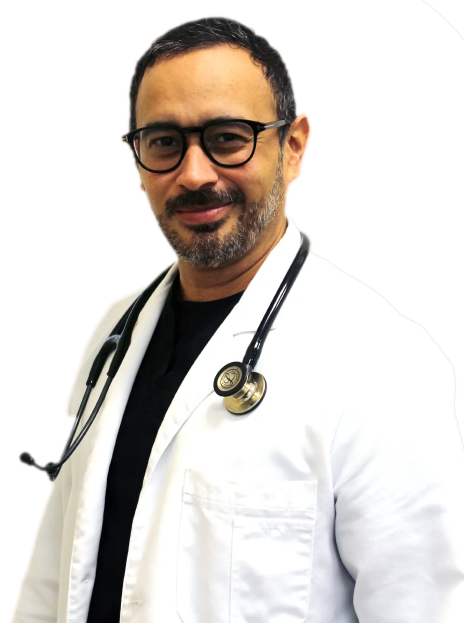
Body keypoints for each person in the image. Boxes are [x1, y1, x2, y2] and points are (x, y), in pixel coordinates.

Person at [11, 15, 464, 623]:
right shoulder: (117, 332)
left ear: (294, 146)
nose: (194, 174)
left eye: (227, 138)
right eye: (164, 142)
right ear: (136, 159)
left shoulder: (380, 363)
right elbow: (57, 575)